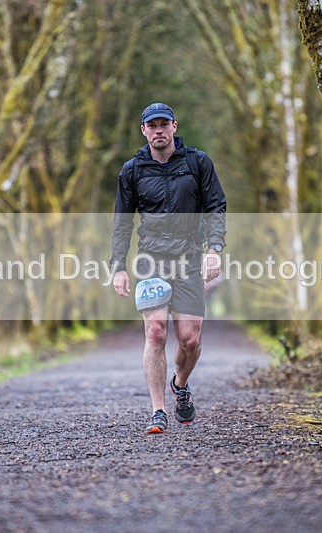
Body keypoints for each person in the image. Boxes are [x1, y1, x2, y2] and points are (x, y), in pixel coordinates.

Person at [110, 102, 227, 434]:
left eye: (164, 124)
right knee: (156, 331)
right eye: (152, 125)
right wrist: (118, 266)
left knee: (189, 340)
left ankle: (180, 384)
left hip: (189, 258)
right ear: (143, 130)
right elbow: (122, 222)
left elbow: (216, 206)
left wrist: (214, 249)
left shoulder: (198, 162)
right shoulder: (132, 170)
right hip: (151, 259)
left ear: (174, 127)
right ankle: (157, 411)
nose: (158, 130)